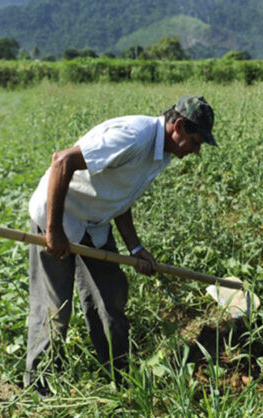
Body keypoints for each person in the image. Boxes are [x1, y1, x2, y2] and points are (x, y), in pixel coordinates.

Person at [26, 96, 216, 395]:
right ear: (177, 126)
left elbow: (120, 196)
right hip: (59, 215)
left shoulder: (160, 153)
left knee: (110, 298)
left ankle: (118, 378)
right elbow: (62, 161)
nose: (196, 150)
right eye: (195, 142)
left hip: (95, 223)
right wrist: (53, 230)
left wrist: (136, 248)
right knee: (55, 308)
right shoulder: (134, 136)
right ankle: (40, 385)